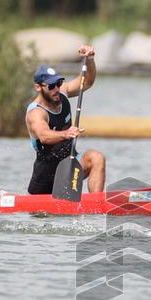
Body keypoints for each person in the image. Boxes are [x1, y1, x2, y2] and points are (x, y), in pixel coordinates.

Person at [25, 45, 105, 195]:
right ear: (38, 87)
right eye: (51, 86)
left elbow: (86, 81)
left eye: (59, 83)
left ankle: (96, 204)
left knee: (96, 158)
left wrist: (90, 60)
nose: (56, 89)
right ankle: (1, 195)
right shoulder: (36, 113)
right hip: (46, 178)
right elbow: (44, 136)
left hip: (70, 166)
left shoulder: (62, 93)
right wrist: (66, 133)